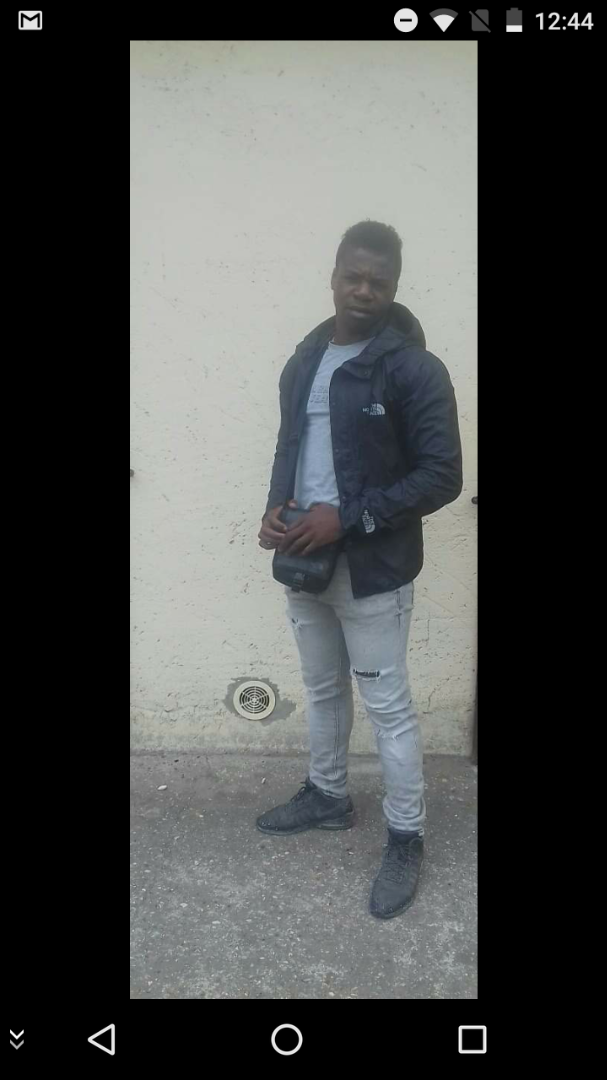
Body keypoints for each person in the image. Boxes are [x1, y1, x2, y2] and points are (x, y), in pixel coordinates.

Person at [256, 221, 463, 919]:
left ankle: (406, 836)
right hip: (303, 561)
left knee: (387, 709)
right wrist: (274, 510)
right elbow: (290, 447)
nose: (364, 290)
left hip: (372, 569)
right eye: (354, 276)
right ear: (334, 275)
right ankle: (327, 795)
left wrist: (346, 517)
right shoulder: (305, 359)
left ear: (394, 287)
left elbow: (441, 476)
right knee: (322, 690)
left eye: (379, 281)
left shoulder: (413, 369)